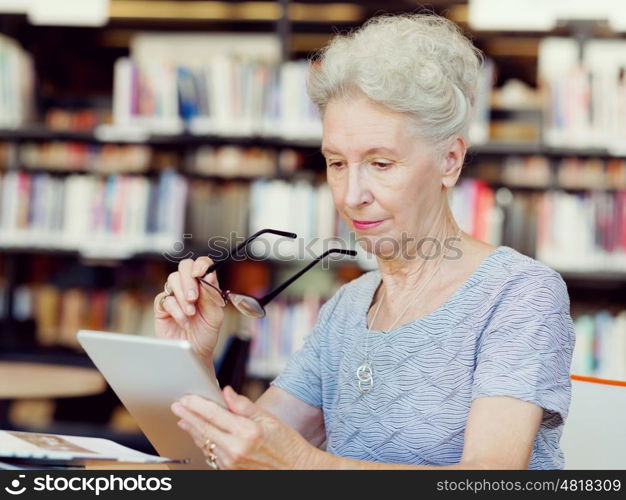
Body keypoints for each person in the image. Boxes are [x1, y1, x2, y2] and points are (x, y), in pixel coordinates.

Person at [153, 13, 575, 470]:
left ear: (449, 161)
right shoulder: (348, 307)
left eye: (381, 164)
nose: (352, 196)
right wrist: (188, 360)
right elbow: (230, 459)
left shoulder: (520, 294)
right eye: (336, 164)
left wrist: (305, 467)